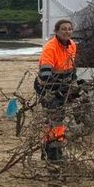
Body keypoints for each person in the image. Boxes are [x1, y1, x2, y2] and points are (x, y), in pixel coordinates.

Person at [35, 19, 79, 161]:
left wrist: (73, 85)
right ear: (57, 31)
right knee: (53, 118)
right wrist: (52, 91)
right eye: (64, 29)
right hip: (47, 86)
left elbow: (71, 67)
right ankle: (51, 150)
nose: (67, 31)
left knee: (60, 117)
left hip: (62, 86)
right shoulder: (50, 47)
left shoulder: (72, 45)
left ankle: (55, 146)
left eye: (69, 29)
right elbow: (46, 71)